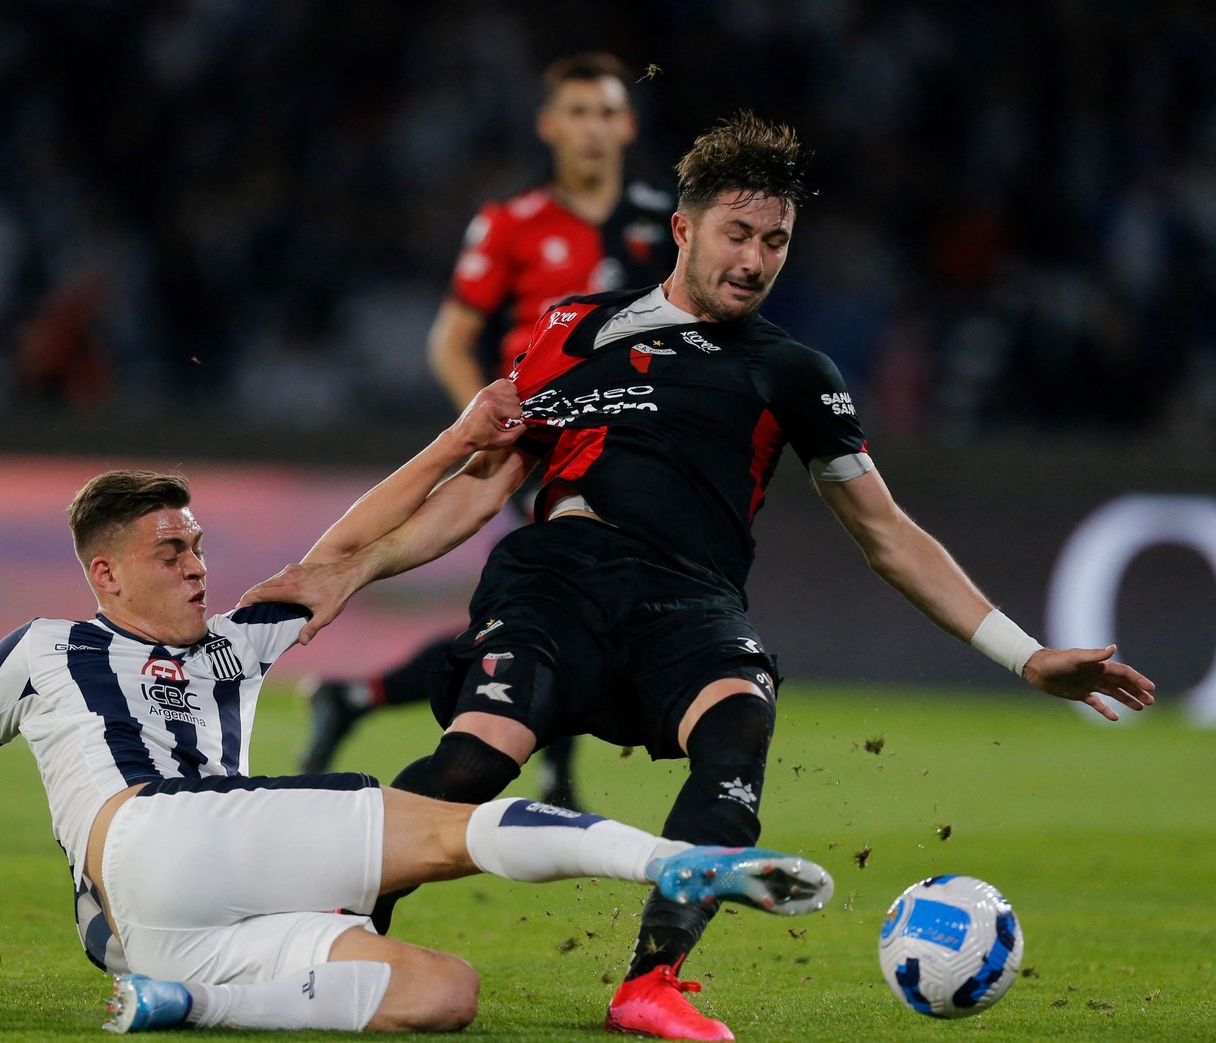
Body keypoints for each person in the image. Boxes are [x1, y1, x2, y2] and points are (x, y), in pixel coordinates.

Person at [240, 112, 1158, 1041]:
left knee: (737, 719)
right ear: (682, 229)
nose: (755, 259)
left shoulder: (794, 373)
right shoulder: (575, 328)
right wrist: (343, 571)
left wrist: (1027, 655)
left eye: (775, 241)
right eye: (737, 233)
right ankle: (332, 936)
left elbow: (889, 535)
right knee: (477, 757)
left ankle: (651, 980)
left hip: (688, 596)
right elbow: (478, 490)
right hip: (556, 576)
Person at [0, 383, 835, 1036]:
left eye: (199, 541)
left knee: (440, 993)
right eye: (169, 548)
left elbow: (345, 550)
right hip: (151, 835)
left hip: (163, 929)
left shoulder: (236, 644)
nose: (195, 563)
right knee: (445, 821)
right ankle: (674, 865)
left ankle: (189, 1005)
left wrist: (458, 442)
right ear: (104, 572)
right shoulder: (46, 647)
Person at [300, 52, 678, 812]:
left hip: (629, 442)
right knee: (562, 599)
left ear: (627, 124)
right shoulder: (510, 223)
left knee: (559, 607)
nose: (592, 128)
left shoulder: (666, 221)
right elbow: (451, 338)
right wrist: (486, 425)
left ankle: (357, 695)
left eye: (606, 112)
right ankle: (547, 770)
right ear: (547, 125)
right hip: (540, 447)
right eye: (576, 112)